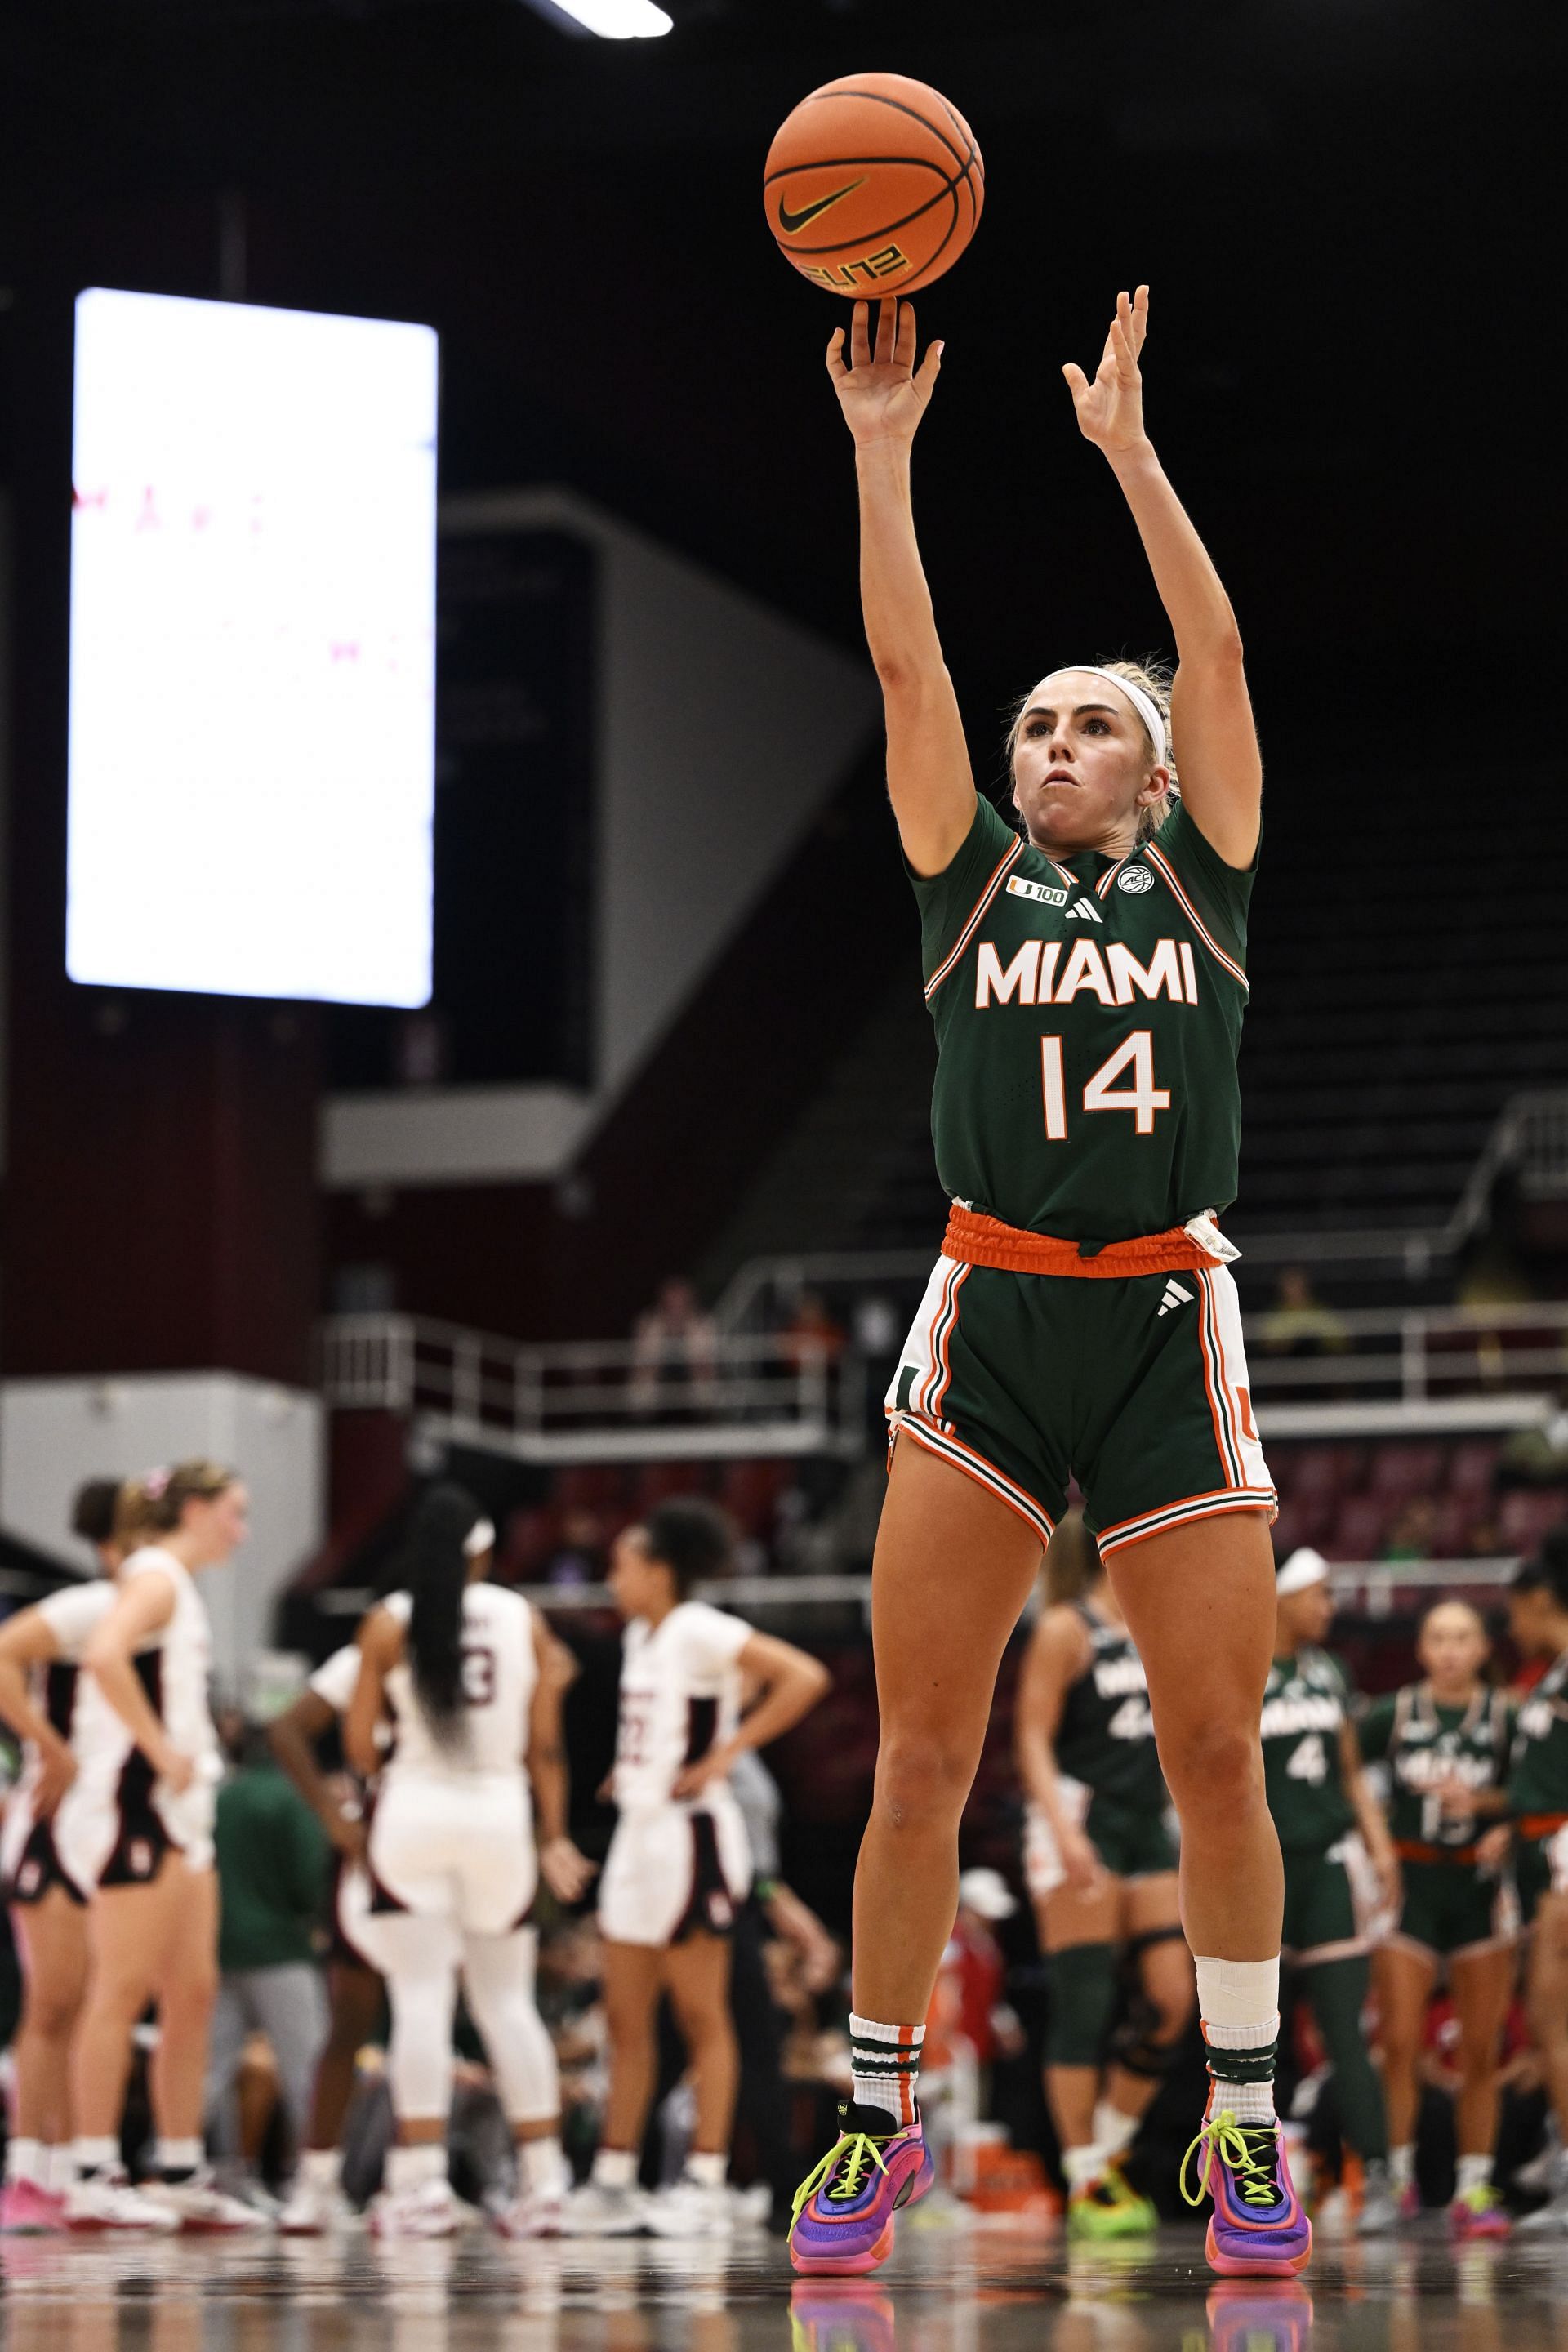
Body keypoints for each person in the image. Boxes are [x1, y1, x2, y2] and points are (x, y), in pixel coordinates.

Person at [788, 283, 1300, 2283]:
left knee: (1208, 1753)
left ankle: (1245, 2130)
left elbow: (1222, 648)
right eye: (1039, 725)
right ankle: (871, 2112)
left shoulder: (1208, 870)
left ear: (1157, 773)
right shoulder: (968, 875)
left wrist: (1125, 454)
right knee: (919, 1748)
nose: (1053, 742)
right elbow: (904, 661)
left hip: (1168, 1315)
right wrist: (884, 448)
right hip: (989, 1313)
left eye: (1092, 721)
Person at [568, 1500, 829, 2238]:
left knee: (703, 2016)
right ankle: (614, 2179)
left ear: (658, 1569)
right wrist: (633, 1773)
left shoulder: (696, 1626)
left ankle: (707, 2179)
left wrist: (726, 1754)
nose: (612, 1578)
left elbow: (803, 1677)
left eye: (622, 1564)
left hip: (694, 1838)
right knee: (625, 2018)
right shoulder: (644, 1637)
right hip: (638, 1836)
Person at [345, 1483, 595, 2239]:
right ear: (483, 1550)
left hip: (416, 1808)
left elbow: (357, 1744)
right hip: (500, 1814)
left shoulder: (387, 1620)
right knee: (507, 2004)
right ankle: (546, 2183)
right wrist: (554, 1832)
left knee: (419, 1998)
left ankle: (417, 2186)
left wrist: (392, 1748)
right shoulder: (525, 1619)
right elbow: (546, 1745)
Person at [56, 1462, 263, 2230]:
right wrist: (159, 1748)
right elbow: (104, 1654)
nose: (242, 1532)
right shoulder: (157, 1577)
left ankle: (178, 2166)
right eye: (235, 1514)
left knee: (195, 1992)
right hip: (136, 1808)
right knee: (120, 1987)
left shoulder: (175, 1582)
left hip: (182, 1816)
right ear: (199, 1509)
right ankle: (91, 2168)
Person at [1014, 1512, 1193, 2237]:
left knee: (1173, 2000)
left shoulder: (1159, 1621)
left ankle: (1108, 2149)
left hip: (1146, 1823)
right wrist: (1061, 1829)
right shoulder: (1066, 1626)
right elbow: (1030, 1733)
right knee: (1083, 2007)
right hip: (1080, 1819)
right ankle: (1084, 2173)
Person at [1360, 1600, 1514, 2237]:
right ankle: (1394, 2180)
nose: (1450, 1649)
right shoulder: (1392, 1713)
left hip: (1479, 1892)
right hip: (1412, 1884)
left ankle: (1475, 2190)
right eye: (1438, 1638)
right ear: (1421, 1649)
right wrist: (1374, 1842)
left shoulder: (1509, 1718)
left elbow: (1538, 1787)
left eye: (1463, 1637)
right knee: (1400, 2043)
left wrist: (1496, 1813)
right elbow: (1343, 1770)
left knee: (1481, 2049)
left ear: (1483, 1647)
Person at [1259, 1548, 1398, 2234]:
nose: (1328, 1607)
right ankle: (1273, 2173)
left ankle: (1374, 2175)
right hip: (1262, 1872)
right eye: (1317, 1595)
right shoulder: (1242, 1664)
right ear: (1281, 1598)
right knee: (1262, 2039)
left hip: (1329, 1867)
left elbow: (1350, 1774)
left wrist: (1379, 1846)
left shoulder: (1331, 1672)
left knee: (1347, 2030)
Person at [0, 1478, 123, 2230]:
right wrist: (46, 1748)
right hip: (53, 1817)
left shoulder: (148, 1608)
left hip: (103, 1825)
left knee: (90, 2003)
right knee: (53, 2004)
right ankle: (28, 2174)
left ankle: (80, 2165)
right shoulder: (88, 1607)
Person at [204, 1705, 332, 2206]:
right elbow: (309, 1880)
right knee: (307, 2071)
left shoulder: (220, 1797)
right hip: (281, 1950)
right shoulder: (293, 1797)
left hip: (218, 1948)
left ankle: (205, 2176)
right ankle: (314, 2183)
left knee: (210, 2070)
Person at [1501, 1537, 1568, 2234]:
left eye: (1515, 1611)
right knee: (1549, 2022)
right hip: (1540, 1850)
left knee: (1552, 2018)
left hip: (1563, 1851)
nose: (1511, 1628)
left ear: (1540, 1601)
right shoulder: (1548, 1676)